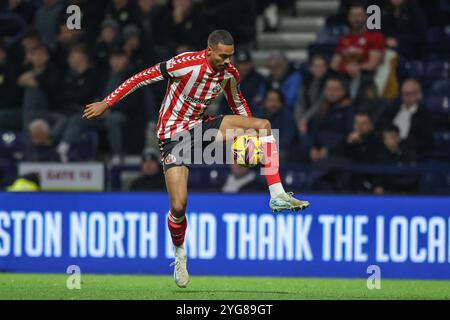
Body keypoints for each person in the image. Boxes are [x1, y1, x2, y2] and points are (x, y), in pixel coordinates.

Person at [83, 30, 310, 288]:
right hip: (172, 136)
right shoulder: (184, 64)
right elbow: (141, 78)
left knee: (263, 125)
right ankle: (179, 254)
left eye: (231, 56)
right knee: (178, 207)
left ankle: (277, 194)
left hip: (201, 127)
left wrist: (250, 136)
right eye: (223, 56)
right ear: (209, 50)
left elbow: (238, 105)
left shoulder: (229, 74)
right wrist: (107, 102)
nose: (227, 61)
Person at [381, 79, 433, 157]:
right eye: (403, 93)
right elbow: (381, 125)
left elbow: (426, 139)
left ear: (418, 94)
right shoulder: (393, 109)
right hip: (385, 148)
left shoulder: (424, 114)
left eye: (409, 94)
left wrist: (400, 143)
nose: (405, 97)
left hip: (408, 152)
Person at [330, 4, 385, 75]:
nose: (356, 19)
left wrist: (357, 68)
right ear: (348, 18)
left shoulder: (375, 37)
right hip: (343, 77)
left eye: (359, 15)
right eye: (353, 15)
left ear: (366, 17)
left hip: (365, 76)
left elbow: (372, 65)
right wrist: (346, 69)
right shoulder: (343, 39)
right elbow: (334, 65)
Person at [373, 124, 419, 194]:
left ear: (398, 138)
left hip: (405, 193)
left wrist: (391, 183)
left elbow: (411, 178)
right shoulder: (380, 154)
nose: (389, 141)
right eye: (386, 138)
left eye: (392, 138)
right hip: (386, 192)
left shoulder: (409, 154)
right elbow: (377, 175)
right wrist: (378, 186)